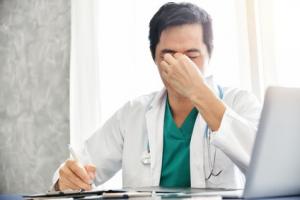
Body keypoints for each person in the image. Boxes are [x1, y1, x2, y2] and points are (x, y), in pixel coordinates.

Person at [52, 2, 261, 191]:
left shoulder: (241, 102)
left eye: (191, 56)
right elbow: (79, 164)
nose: (180, 65)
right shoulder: (132, 114)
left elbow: (265, 166)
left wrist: (197, 89)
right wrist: (67, 180)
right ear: (154, 58)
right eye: (168, 55)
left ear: (209, 54)